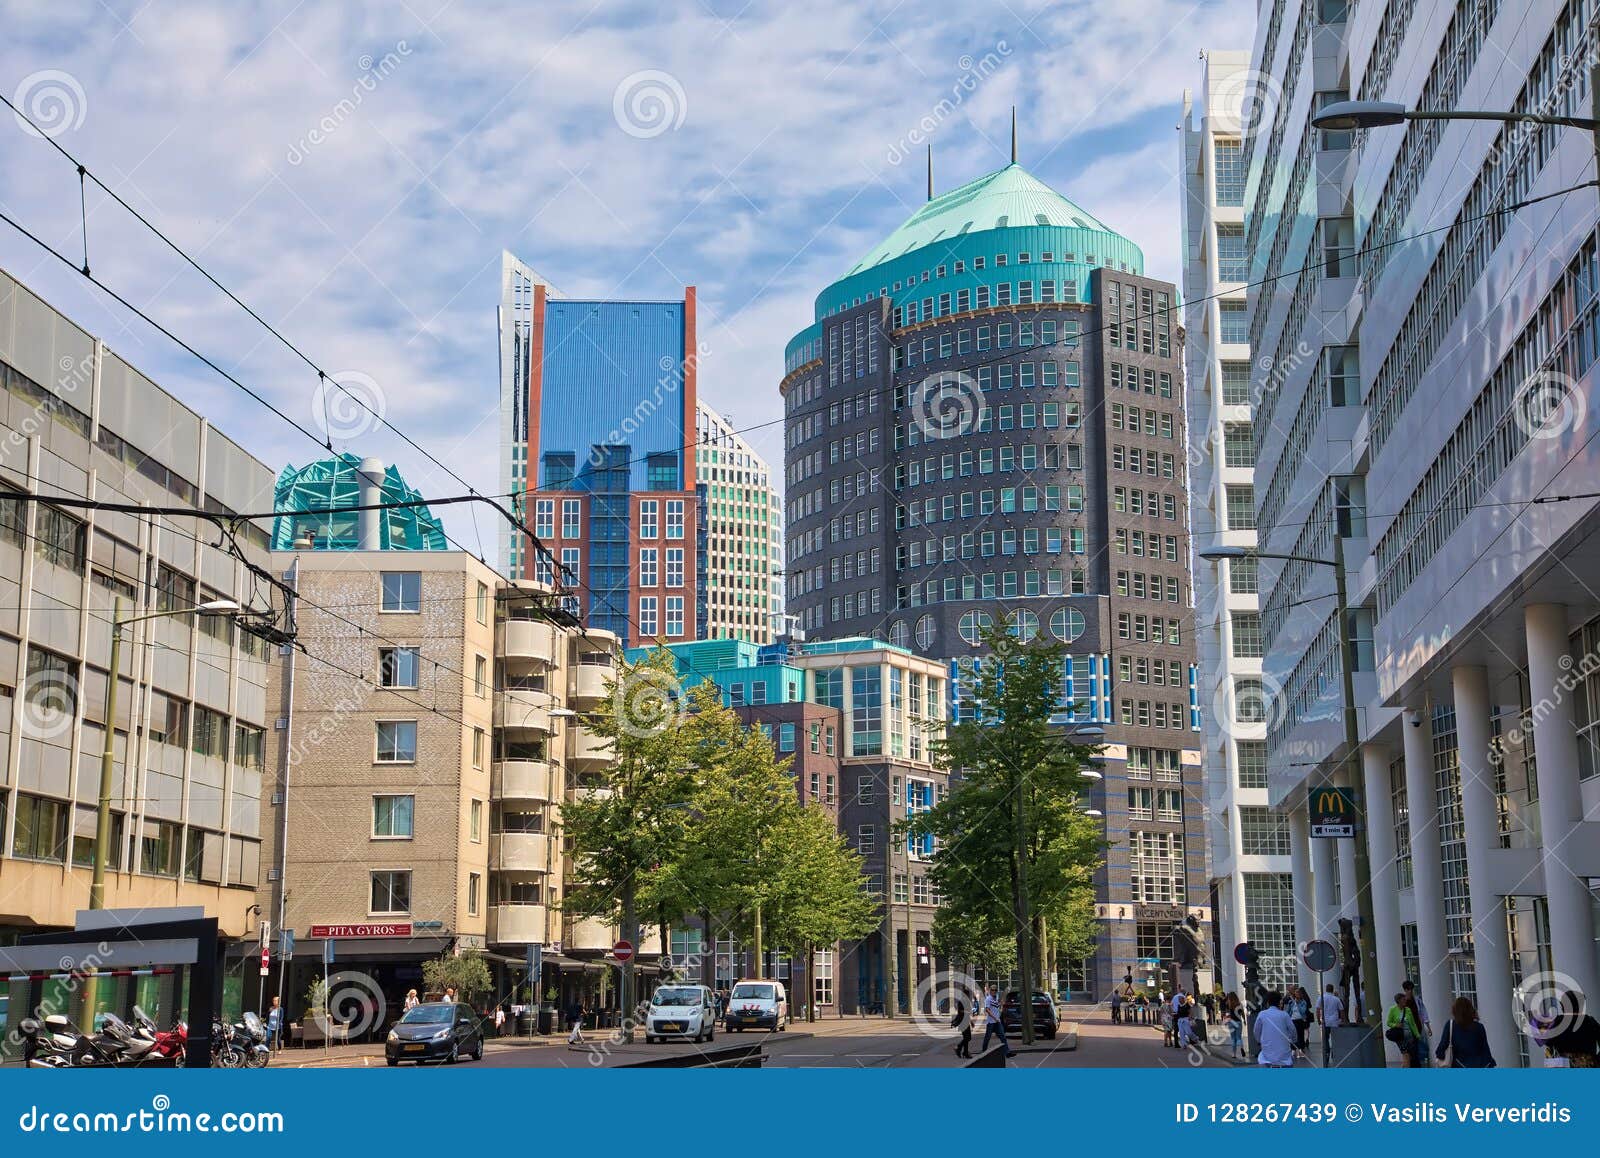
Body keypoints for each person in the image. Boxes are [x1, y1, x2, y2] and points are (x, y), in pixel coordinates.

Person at [1536, 991, 1600, 1067]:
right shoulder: (1591, 1022)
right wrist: (1595, 1061)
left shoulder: (1557, 1022)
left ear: (1563, 1006)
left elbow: (1545, 1041)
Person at [1436, 997, 1495, 1068]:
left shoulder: (1450, 1025)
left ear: (1455, 1011)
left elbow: (1441, 1049)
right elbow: (1486, 1051)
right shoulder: (1479, 1027)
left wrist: (1443, 1057)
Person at [1255, 991, 1296, 1068]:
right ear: (1279, 1002)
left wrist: (1260, 1041)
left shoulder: (1262, 1014)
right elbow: (1293, 1030)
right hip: (1285, 1059)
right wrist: (1292, 1040)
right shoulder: (1284, 1015)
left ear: (1267, 1002)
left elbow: (1256, 1031)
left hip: (1266, 1059)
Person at [1385, 991, 1424, 1067]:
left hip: (1409, 1036)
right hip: (1400, 1036)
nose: (1405, 1001)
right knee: (1406, 1054)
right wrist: (1396, 1025)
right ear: (1398, 1001)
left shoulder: (1408, 1010)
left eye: (1405, 999)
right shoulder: (1392, 1010)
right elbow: (1388, 1022)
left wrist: (1417, 1035)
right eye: (1403, 999)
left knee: (1408, 1055)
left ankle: (1404, 1067)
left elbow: (1412, 1024)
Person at [980, 984, 1014, 1057]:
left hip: (997, 1022)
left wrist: (1001, 1007)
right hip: (991, 1022)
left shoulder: (996, 998)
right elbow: (987, 1010)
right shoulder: (988, 999)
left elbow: (998, 1007)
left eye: (995, 990)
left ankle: (1007, 1052)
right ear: (990, 990)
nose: (994, 991)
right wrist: (994, 1017)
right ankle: (983, 1052)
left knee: (1003, 1037)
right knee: (987, 1037)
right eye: (992, 990)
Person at [1317, 983, 1345, 1066]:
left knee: (1325, 1039)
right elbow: (1341, 1010)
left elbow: (1318, 1010)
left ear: (1326, 989)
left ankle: (1327, 1053)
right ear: (1332, 990)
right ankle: (1334, 1052)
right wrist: (1343, 1020)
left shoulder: (1321, 998)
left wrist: (1318, 1020)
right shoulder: (1336, 999)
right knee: (1334, 1039)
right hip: (1335, 1022)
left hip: (1325, 1022)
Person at [1402, 980, 1430, 1048]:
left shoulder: (1417, 1000)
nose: (1410, 991)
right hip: (1408, 1031)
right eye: (1408, 989)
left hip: (1418, 1028)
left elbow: (1424, 1013)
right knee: (1410, 1051)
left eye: (1411, 989)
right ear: (1405, 990)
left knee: (1419, 1049)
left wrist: (1428, 1027)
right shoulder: (1403, 1002)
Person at [1287, 987, 1310, 1057]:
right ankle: (1293, 1049)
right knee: (1293, 1035)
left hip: (1300, 1020)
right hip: (1293, 1020)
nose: (1297, 994)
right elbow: (1289, 1011)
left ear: (1300, 994)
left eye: (1298, 993)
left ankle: (1301, 1049)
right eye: (1296, 993)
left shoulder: (1303, 1002)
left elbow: (1303, 1011)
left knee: (1300, 1035)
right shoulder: (1291, 1002)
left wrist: (1298, 1003)